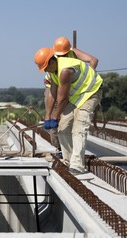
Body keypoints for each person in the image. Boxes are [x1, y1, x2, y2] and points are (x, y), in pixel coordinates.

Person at [34, 47, 103, 175]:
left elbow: (63, 98)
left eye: (46, 67)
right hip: (76, 96)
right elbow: (52, 94)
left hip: (91, 93)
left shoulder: (65, 70)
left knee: (79, 127)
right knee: (63, 127)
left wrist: (55, 117)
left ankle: (77, 165)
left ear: (52, 62)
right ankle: (69, 161)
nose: (45, 70)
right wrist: (47, 116)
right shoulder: (52, 72)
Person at [43, 36, 99, 157]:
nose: (61, 57)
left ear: (69, 51)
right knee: (59, 121)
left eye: (64, 54)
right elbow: (53, 91)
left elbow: (93, 60)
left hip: (74, 90)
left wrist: (90, 74)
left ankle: (75, 159)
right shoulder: (52, 62)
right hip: (58, 85)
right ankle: (60, 149)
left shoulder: (72, 55)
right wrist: (49, 116)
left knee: (75, 126)